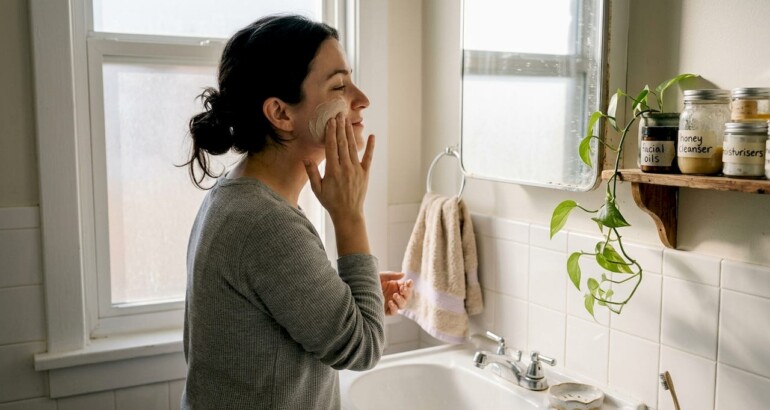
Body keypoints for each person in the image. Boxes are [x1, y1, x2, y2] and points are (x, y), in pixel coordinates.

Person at [181, 14, 413, 410]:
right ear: (281, 114)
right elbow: (363, 348)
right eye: (339, 85)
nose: (361, 98)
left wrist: (351, 292)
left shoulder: (238, 197)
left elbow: (272, 295)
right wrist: (350, 215)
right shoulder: (263, 222)